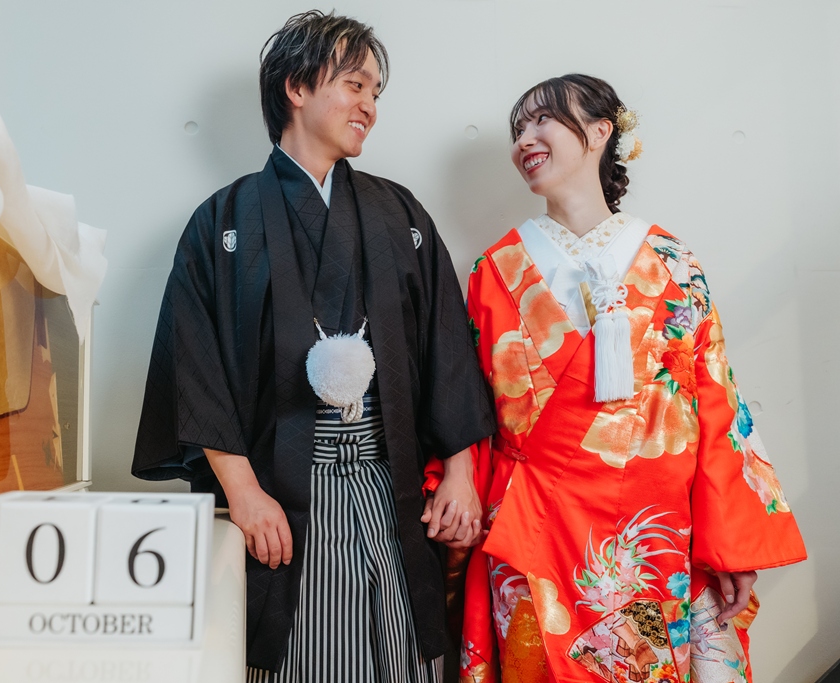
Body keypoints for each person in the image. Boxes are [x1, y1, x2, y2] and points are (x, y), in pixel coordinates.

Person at [132, 10, 494, 681]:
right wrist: (241, 491)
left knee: (405, 654)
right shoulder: (224, 221)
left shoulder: (401, 214)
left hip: (390, 482)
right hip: (281, 488)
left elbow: (446, 342)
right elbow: (197, 362)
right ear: (297, 86)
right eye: (356, 86)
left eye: (376, 93)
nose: (370, 107)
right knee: (299, 650)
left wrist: (464, 475)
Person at [424, 74, 807, 682]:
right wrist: (459, 483)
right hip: (533, 526)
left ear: (601, 132)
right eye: (517, 128)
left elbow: (715, 401)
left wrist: (728, 545)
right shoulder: (494, 269)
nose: (526, 137)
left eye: (543, 119)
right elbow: (462, 397)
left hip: (652, 534)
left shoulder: (673, 261)